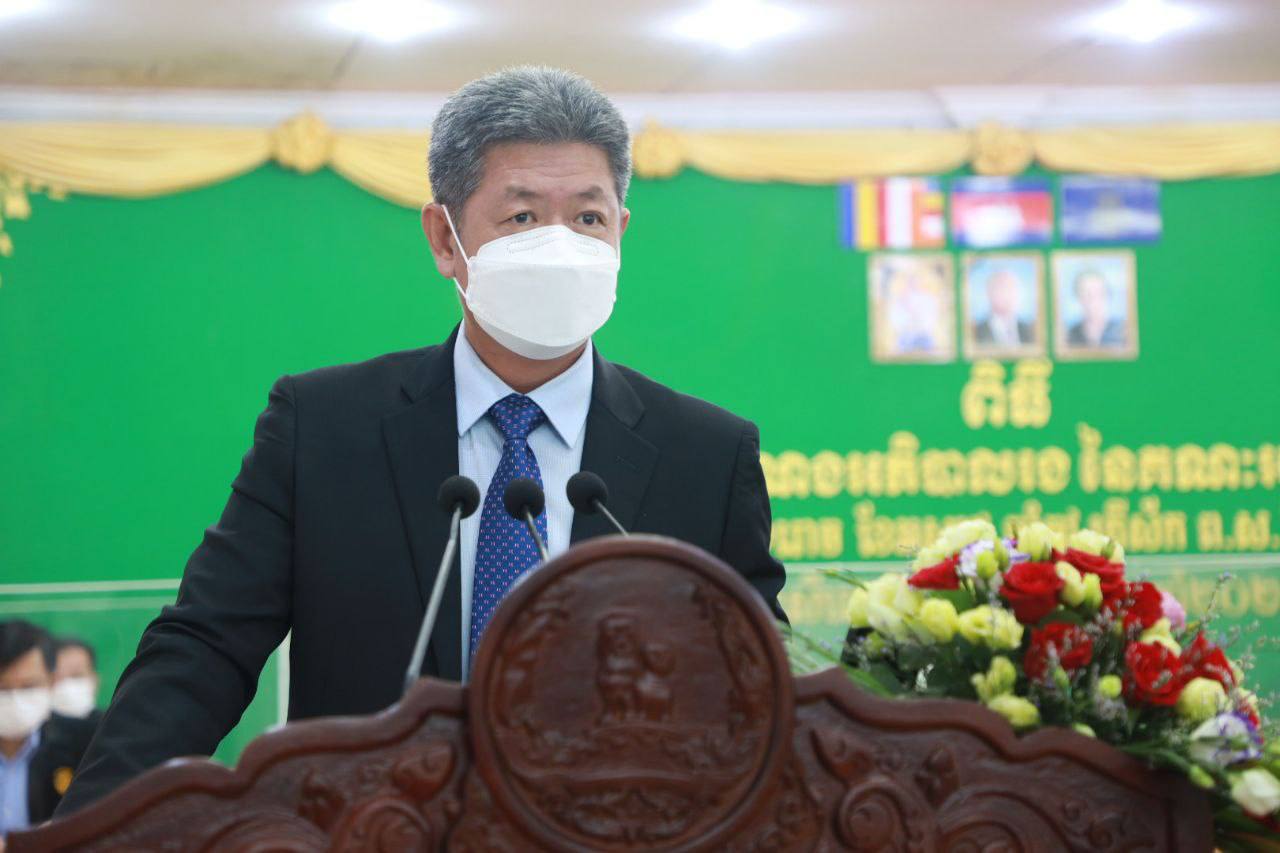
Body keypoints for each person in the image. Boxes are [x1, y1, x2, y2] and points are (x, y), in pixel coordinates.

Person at [57, 66, 787, 816]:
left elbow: (762, 688)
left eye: (588, 219)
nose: (561, 246)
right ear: (445, 239)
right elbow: (204, 651)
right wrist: (93, 826)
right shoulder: (322, 427)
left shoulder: (707, 455)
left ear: (621, 232)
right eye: (523, 217)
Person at [0, 621, 96, 843]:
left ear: (52, 682)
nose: (14, 698)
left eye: (28, 686)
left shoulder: (86, 743)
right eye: (2, 688)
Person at [973, 268, 1034, 348]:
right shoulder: (976, 331)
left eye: (1012, 288)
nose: (1008, 295)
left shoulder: (1029, 329)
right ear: (989, 293)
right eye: (1002, 289)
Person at [1066, 269, 1126, 348]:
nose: (1094, 300)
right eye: (1087, 294)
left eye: (1099, 293)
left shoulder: (1123, 331)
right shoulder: (1070, 335)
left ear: (1108, 295)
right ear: (1078, 298)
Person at [51, 639, 101, 723]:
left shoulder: (112, 725)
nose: (66, 684)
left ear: (95, 681)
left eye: (76, 675)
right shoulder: (35, 729)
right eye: (57, 677)